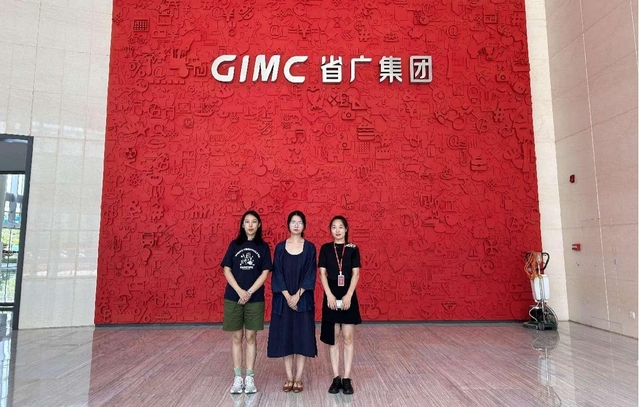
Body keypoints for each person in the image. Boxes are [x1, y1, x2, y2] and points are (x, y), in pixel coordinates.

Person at [221, 210, 273, 394]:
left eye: (254, 222)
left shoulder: (263, 247)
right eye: (247, 222)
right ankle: (237, 378)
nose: (250, 225)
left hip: (255, 299)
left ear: (259, 225)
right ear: (242, 225)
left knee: (251, 337)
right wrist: (239, 291)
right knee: (237, 337)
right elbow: (226, 269)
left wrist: (249, 292)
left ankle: (249, 377)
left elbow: (265, 273)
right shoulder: (234, 245)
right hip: (233, 297)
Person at [267, 211, 318, 393]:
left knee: (303, 337)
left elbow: (311, 273)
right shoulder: (280, 247)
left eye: (300, 222)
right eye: (293, 222)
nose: (296, 225)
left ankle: (298, 378)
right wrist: (288, 295)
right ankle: (289, 377)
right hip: (283, 300)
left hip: (303, 300)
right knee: (286, 337)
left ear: (304, 225)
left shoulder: (310, 248)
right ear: (288, 224)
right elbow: (277, 273)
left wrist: (298, 295)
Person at [319, 215, 362, 395]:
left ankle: (346, 378)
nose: (337, 230)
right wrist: (329, 294)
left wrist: (349, 295)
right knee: (333, 338)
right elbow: (322, 273)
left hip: (348, 296)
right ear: (330, 230)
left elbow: (356, 273)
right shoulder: (325, 248)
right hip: (331, 295)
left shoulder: (353, 248)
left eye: (340, 227)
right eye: (334, 227)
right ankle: (336, 378)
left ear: (346, 229)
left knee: (348, 337)